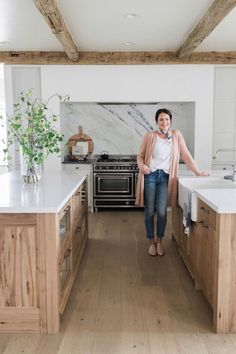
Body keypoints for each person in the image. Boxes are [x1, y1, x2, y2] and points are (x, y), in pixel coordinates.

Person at [135, 108, 208, 257]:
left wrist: (198, 172)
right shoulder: (150, 136)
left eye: (167, 119)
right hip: (150, 175)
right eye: (161, 119)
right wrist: (143, 167)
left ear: (171, 121)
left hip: (165, 178)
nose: (164, 122)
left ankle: (159, 240)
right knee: (150, 211)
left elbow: (186, 155)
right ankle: (151, 242)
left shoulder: (176, 136)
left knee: (162, 212)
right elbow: (140, 155)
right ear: (157, 122)